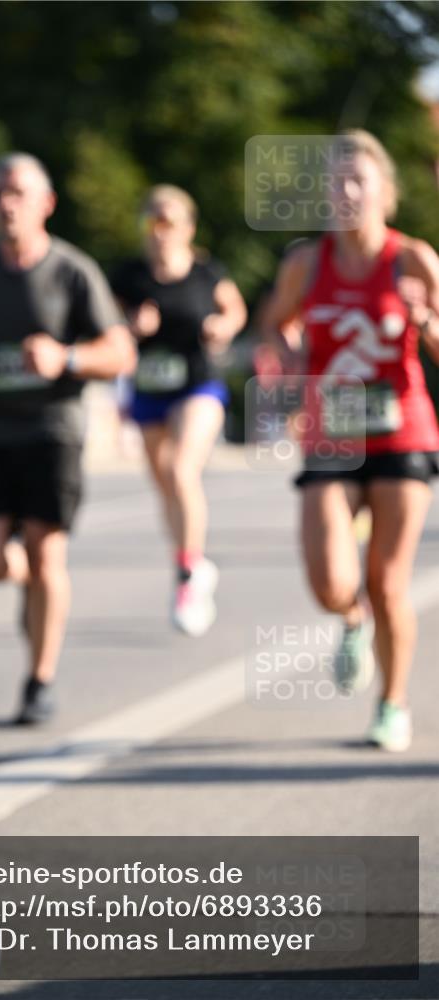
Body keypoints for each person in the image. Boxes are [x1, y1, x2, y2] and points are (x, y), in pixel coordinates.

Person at [261, 129, 439, 751]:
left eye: (358, 180)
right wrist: (287, 362)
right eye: (336, 182)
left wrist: (425, 322)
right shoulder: (307, 263)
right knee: (330, 581)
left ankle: (392, 703)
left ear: (385, 191)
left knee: (388, 580)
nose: (346, 192)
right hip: (333, 434)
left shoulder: (414, 259)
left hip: (403, 430)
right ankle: (350, 618)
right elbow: (276, 325)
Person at [0, 153, 135, 724]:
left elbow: (121, 351)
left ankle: (40, 679)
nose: (6, 204)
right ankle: (28, 578)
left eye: (19, 193)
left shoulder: (72, 271)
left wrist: (67, 356)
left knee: (47, 548)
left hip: (51, 431)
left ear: (46, 204)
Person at [111, 185, 247, 636]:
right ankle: (190, 562)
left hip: (197, 385)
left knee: (181, 468)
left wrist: (220, 327)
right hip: (149, 389)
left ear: (187, 229)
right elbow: (107, 328)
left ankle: (189, 574)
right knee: (165, 483)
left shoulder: (206, 274)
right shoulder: (129, 277)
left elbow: (236, 310)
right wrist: (131, 327)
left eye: (169, 221)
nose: (160, 230)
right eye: (153, 220)